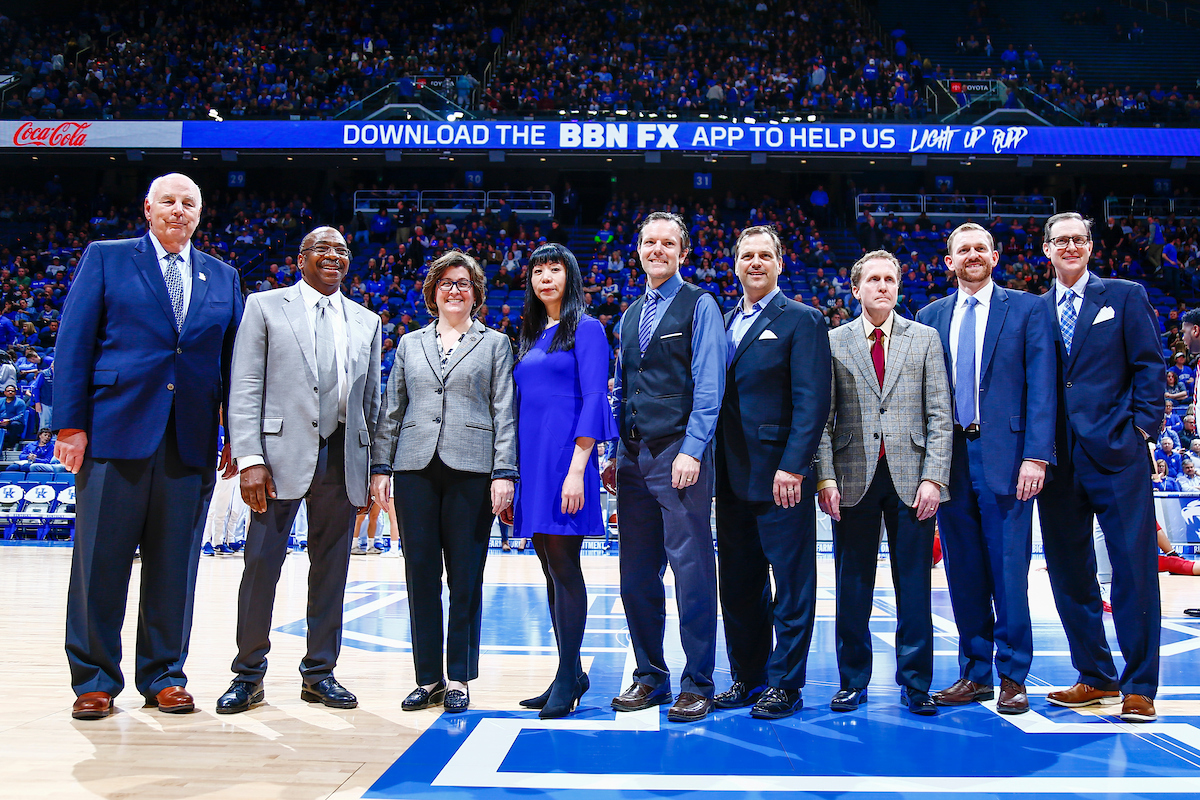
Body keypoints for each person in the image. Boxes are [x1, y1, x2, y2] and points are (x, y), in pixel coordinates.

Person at [56, 173, 243, 720]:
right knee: (100, 563)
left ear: (199, 215)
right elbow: (73, 343)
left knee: (175, 565)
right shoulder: (107, 258)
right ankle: (94, 679)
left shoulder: (222, 276)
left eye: (189, 203)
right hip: (115, 430)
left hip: (189, 439)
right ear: (148, 208)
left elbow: (231, 365)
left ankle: (164, 674)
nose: (179, 210)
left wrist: (236, 432)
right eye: (169, 201)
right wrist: (71, 425)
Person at [217, 227, 383, 714]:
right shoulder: (265, 306)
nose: (333, 257)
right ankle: (248, 675)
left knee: (332, 570)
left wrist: (371, 466)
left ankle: (320, 672)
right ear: (301, 259)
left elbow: (369, 400)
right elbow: (244, 383)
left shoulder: (366, 320)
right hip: (276, 457)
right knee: (262, 566)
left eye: (342, 251)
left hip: (342, 457)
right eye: (323, 249)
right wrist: (249, 457)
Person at [916, 223, 1056, 715]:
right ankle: (974, 672)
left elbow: (1043, 387)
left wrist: (1037, 455)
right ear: (948, 260)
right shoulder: (929, 316)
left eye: (980, 248)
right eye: (962, 249)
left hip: (1008, 457)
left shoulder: (1028, 308)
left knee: (1009, 570)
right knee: (964, 572)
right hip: (948, 459)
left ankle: (1013, 674)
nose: (972, 255)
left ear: (995, 257)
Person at [371, 250, 517, 714]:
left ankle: (459, 678)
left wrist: (504, 472)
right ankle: (428, 677)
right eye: (446, 283)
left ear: (476, 293)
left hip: (472, 471)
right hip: (413, 469)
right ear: (433, 293)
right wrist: (381, 467)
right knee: (419, 577)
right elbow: (392, 408)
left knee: (466, 578)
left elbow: (503, 412)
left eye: (464, 283)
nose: (455, 290)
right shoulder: (410, 343)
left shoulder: (495, 343)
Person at [1037, 211, 1164, 723]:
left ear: (1091, 246)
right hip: (1056, 461)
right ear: (1046, 249)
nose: (1070, 246)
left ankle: (1140, 686)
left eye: (1078, 239)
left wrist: (1142, 432)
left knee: (1134, 570)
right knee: (1069, 573)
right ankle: (1094, 676)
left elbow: (1150, 366)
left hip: (1117, 455)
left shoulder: (1125, 295)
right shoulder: (1034, 309)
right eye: (1060, 240)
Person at [817, 249, 952, 716]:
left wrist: (935, 476)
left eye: (889, 279)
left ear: (898, 286)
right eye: (872, 279)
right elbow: (823, 420)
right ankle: (853, 681)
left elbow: (940, 414)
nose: (882, 286)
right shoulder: (833, 341)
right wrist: (825, 478)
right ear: (856, 289)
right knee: (852, 586)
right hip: (852, 477)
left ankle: (916, 683)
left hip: (913, 478)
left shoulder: (926, 339)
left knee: (913, 585)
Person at [605, 211, 725, 723]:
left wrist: (693, 450)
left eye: (667, 242)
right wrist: (613, 453)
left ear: (683, 251)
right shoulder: (629, 314)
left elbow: (709, 384)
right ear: (638, 251)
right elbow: (621, 390)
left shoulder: (701, 304)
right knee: (635, 576)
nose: (657, 249)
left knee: (692, 572)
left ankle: (698, 681)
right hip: (632, 459)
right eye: (649, 242)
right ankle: (649, 676)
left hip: (679, 454)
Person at [712, 225, 831, 720]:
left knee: (792, 583)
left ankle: (786, 683)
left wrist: (794, 466)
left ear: (780, 263)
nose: (755, 263)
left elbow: (813, 402)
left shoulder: (802, 320)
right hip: (728, 476)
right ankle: (748, 676)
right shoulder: (720, 320)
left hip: (781, 477)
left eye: (765, 255)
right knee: (738, 586)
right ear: (735, 264)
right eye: (746, 256)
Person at [507, 243, 617, 718]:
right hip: (532, 464)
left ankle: (569, 675)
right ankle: (566, 673)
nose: (545, 277)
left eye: (555, 269)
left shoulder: (587, 329)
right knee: (549, 569)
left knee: (565, 568)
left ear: (569, 276)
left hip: (565, 463)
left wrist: (578, 469)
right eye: (537, 270)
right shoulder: (531, 335)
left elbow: (595, 398)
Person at [0, 383, 27, 449]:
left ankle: (10, 446)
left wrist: (9, 420)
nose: (10, 392)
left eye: (12, 391)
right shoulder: (1, 401)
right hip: (1, 422)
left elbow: (21, 415)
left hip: (14, 423)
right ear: (5, 392)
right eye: (8, 391)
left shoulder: (20, 402)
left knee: (14, 425)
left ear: (15, 393)